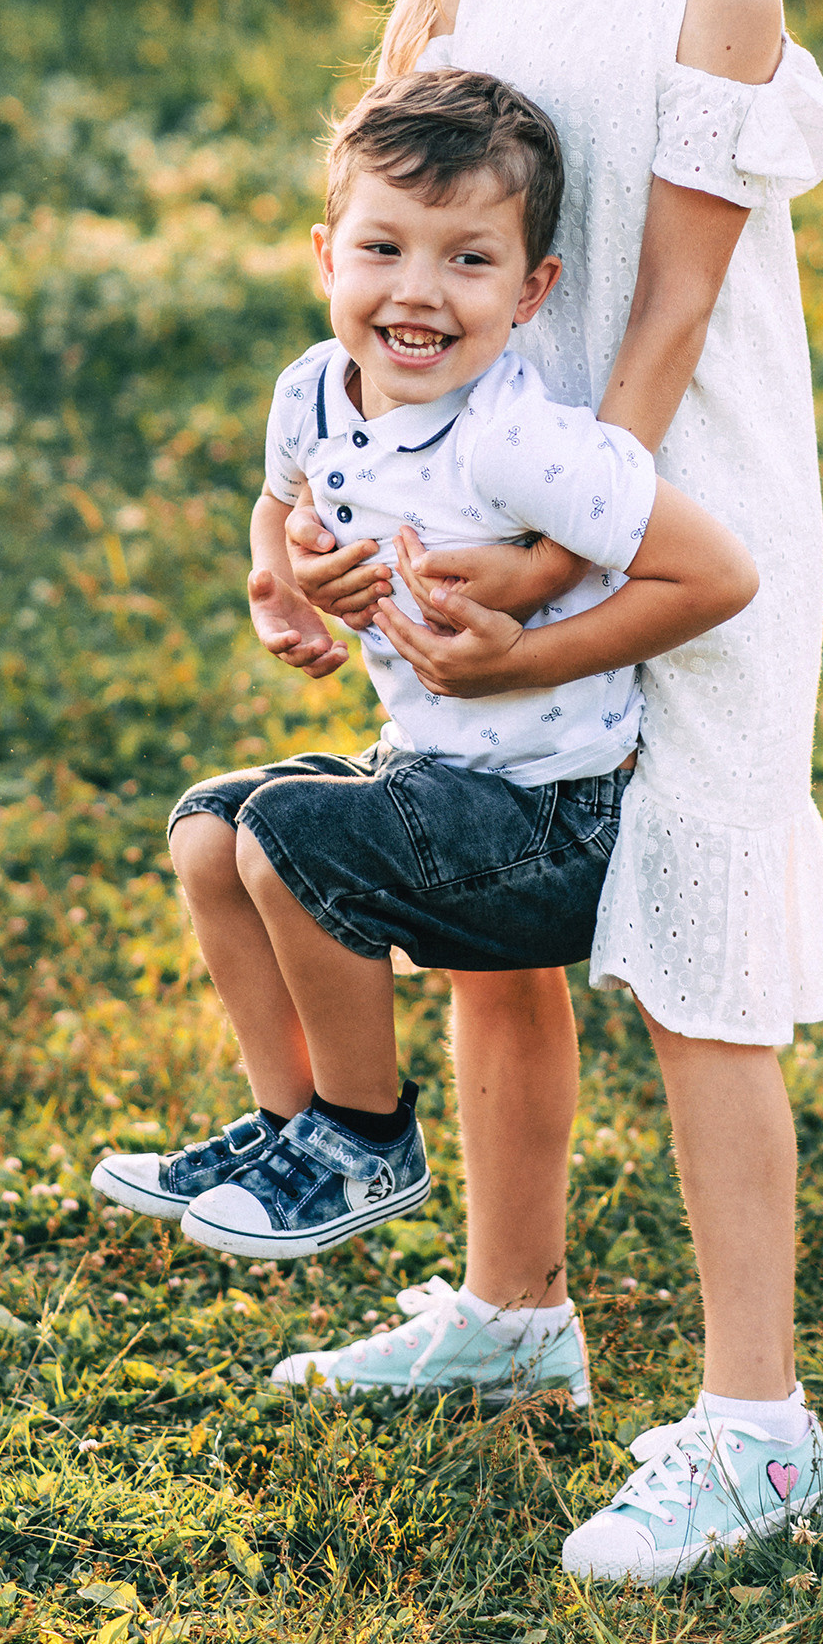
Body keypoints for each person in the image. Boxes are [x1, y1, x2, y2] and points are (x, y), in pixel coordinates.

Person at [284, 0, 823, 1583]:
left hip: (673, 508)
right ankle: (513, 1313)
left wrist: (544, 560)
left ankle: (753, 1419)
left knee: (698, 940)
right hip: (475, 511)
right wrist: (342, 511)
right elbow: (392, 273)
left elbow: (671, 320)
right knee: (489, 898)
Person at [93, 68, 757, 1337]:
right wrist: (277, 587)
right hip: (430, 779)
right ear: (324, 256)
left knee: (285, 834)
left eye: (468, 261)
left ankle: (362, 1143)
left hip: (551, 823)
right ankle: (286, 1129)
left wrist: (524, 660)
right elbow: (281, 508)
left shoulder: (519, 441)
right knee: (207, 830)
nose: (416, 291)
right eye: (383, 247)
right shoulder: (311, 390)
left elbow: (713, 575)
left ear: (531, 291)